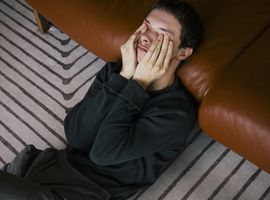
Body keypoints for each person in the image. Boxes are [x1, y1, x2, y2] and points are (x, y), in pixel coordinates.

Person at [0, 0, 203, 199]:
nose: (145, 37)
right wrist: (124, 77)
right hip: (44, 170)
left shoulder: (177, 113)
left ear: (183, 52)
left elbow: (103, 153)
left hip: (88, 191)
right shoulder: (118, 71)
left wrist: (137, 84)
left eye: (161, 34)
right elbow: (75, 135)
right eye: (146, 26)